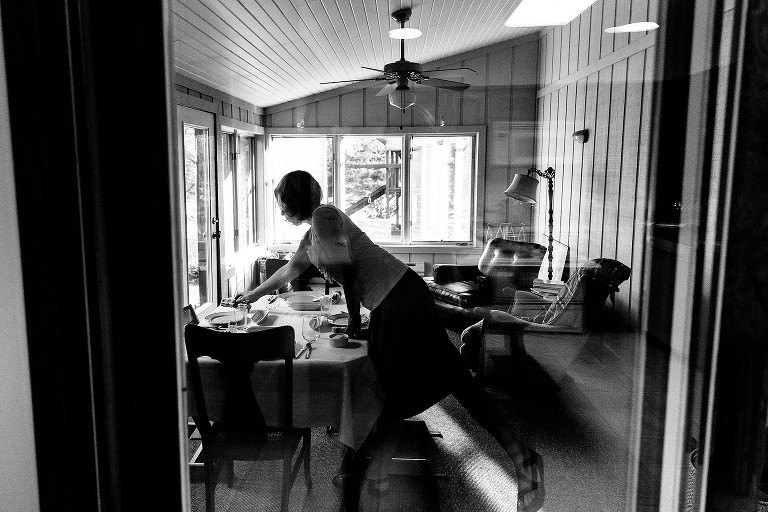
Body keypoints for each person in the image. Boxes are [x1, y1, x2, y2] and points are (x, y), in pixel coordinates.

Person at [238, 170, 545, 511]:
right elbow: (289, 270)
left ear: (293, 200)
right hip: (393, 298)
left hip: (398, 298)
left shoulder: (324, 217)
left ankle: (519, 456)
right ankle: (371, 472)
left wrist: (354, 318)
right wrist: (252, 295)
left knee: (430, 381)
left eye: (281, 202)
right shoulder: (316, 229)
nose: (280, 210)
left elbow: (349, 270)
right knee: (413, 384)